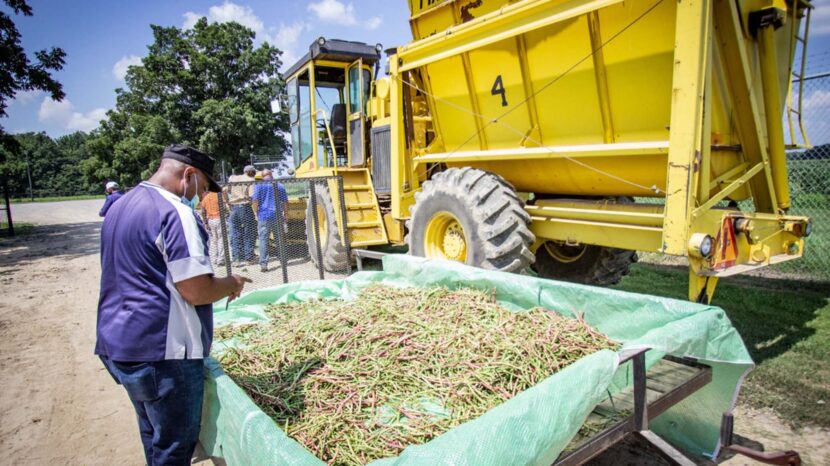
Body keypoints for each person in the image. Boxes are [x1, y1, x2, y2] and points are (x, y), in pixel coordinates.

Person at [95, 144, 251, 466]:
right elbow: (196, 290)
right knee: (174, 449)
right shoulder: (175, 212)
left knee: (153, 434)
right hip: (163, 357)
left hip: (119, 347)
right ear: (188, 175)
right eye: (203, 188)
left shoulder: (120, 207)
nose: (201, 196)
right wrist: (230, 284)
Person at [251, 169, 288, 272]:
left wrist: (256, 212)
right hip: (277, 215)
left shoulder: (259, 185)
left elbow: (255, 201)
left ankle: (264, 264)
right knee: (279, 239)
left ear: (263, 176)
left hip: (263, 215)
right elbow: (285, 201)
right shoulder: (279, 185)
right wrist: (286, 214)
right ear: (271, 175)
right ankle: (283, 261)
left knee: (263, 240)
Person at [226, 165, 257, 265]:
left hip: (234, 208)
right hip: (245, 206)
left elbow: (224, 190)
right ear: (250, 172)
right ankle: (249, 258)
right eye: (254, 173)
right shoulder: (250, 180)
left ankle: (237, 260)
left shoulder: (233, 178)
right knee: (249, 232)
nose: (254, 174)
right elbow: (252, 196)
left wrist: (228, 201)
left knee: (235, 234)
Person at [200, 190, 226, 268]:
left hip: (210, 220)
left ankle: (214, 258)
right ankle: (220, 259)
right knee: (221, 239)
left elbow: (203, 211)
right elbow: (224, 207)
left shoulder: (205, 198)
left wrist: (205, 223)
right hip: (219, 218)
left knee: (214, 240)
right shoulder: (218, 196)